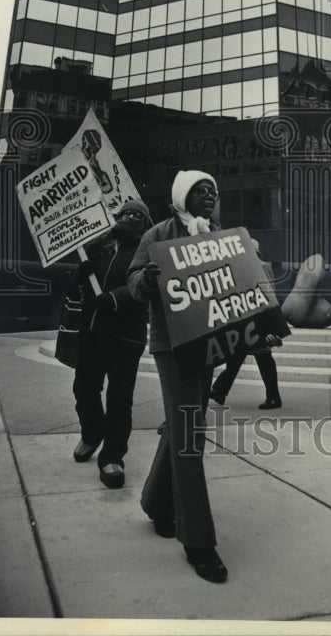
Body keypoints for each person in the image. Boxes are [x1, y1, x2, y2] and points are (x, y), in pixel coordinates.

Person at [127, 170, 227, 584]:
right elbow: (132, 282)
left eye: (213, 191)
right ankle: (198, 541)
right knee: (190, 434)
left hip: (209, 341)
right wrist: (148, 281)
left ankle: (157, 503)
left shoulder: (219, 234)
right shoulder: (157, 234)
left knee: (181, 426)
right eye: (201, 190)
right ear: (183, 196)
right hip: (173, 345)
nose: (210, 196)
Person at [70, 199, 152, 489]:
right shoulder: (98, 246)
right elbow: (78, 286)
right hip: (93, 332)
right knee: (84, 388)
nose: (131, 216)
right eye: (127, 212)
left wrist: (116, 298)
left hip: (127, 336)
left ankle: (112, 457)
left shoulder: (147, 250)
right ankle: (92, 434)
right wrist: (79, 274)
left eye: (138, 215)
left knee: (119, 399)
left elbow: (147, 284)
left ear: (146, 224)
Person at [210, 240, 283, 409]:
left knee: (262, 355)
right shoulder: (242, 267)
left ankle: (273, 397)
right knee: (242, 353)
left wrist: (269, 321)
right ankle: (220, 390)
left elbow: (269, 291)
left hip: (258, 316)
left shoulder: (260, 266)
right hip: (246, 316)